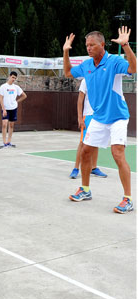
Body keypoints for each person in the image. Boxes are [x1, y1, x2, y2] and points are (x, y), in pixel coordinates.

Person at [63, 27, 136, 213]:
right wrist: (65, 52)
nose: (88, 48)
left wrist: (126, 45)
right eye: (87, 45)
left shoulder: (114, 61)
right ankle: (85, 190)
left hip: (118, 117)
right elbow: (68, 72)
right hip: (98, 117)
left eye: (92, 45)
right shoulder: (87, 65)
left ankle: (127, 199)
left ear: (102, 45)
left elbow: (133, 68)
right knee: (86, 151)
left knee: (117, 154)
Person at [69, 79, 107, 179]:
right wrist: (80, 117)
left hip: (99, 116)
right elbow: (80, 100)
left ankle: (93, 168)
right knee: (83, 143)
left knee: (96, 142)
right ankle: (76, 168)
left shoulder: (103, 78)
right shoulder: (86, 80)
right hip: (88, 116)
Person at [0, 71, 27, 148]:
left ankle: (9, 142)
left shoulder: (16, 87)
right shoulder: (3, 87)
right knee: (4, 124)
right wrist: (3, 109)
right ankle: (4, 142)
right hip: (6, 109)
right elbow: (1, 99)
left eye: (15, 78)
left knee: (11, 125)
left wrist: (17, 101)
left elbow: (24, 96)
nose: (13, 79)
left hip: (13, 108)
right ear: (9, 76)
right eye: (12, 77)